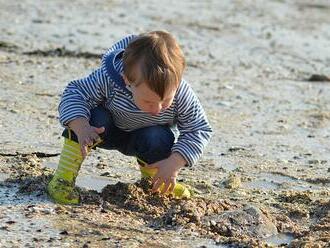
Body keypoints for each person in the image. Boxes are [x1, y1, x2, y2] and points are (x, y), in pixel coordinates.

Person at [47, 30, 212, 204]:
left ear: (177, 84)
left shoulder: (182, 94)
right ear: (127, 81)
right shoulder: (109, 79)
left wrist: (174, 163)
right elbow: (76, 93)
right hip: (102, 130)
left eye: (165, 102)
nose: (157, 109)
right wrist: (80, 126)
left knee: (159, 136)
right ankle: (63, 179)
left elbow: (198, 128)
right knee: (93, 116)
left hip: (146, 137)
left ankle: (155, 183)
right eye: (148, 101)